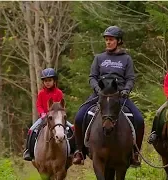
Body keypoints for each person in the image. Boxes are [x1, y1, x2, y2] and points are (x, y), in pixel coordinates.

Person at [72, 26, 145, 167]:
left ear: (118, 41)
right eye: (106, 40)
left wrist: (126, 90)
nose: (108, 42)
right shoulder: (99, 58)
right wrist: (98, 89)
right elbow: (92, 77)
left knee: (139, 119)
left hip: (120, 96)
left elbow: (130, 78)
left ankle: (135, 153)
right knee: (79, 116)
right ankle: (79, 151)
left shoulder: (126, 59)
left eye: (111, 40)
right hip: (100, 94)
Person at [23, 68, 74, 161]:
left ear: (54, 81)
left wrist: (58, 114)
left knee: (72, 128)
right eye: (45, 81)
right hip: (45, 116)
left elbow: (61, 106)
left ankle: (74, 151)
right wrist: (42, 113)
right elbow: (39, 105)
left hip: (57, 117)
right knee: (31, 130)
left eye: (50, 80)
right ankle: (29, 151)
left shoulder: (59, 92)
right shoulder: (41, 93)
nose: (47, 82)